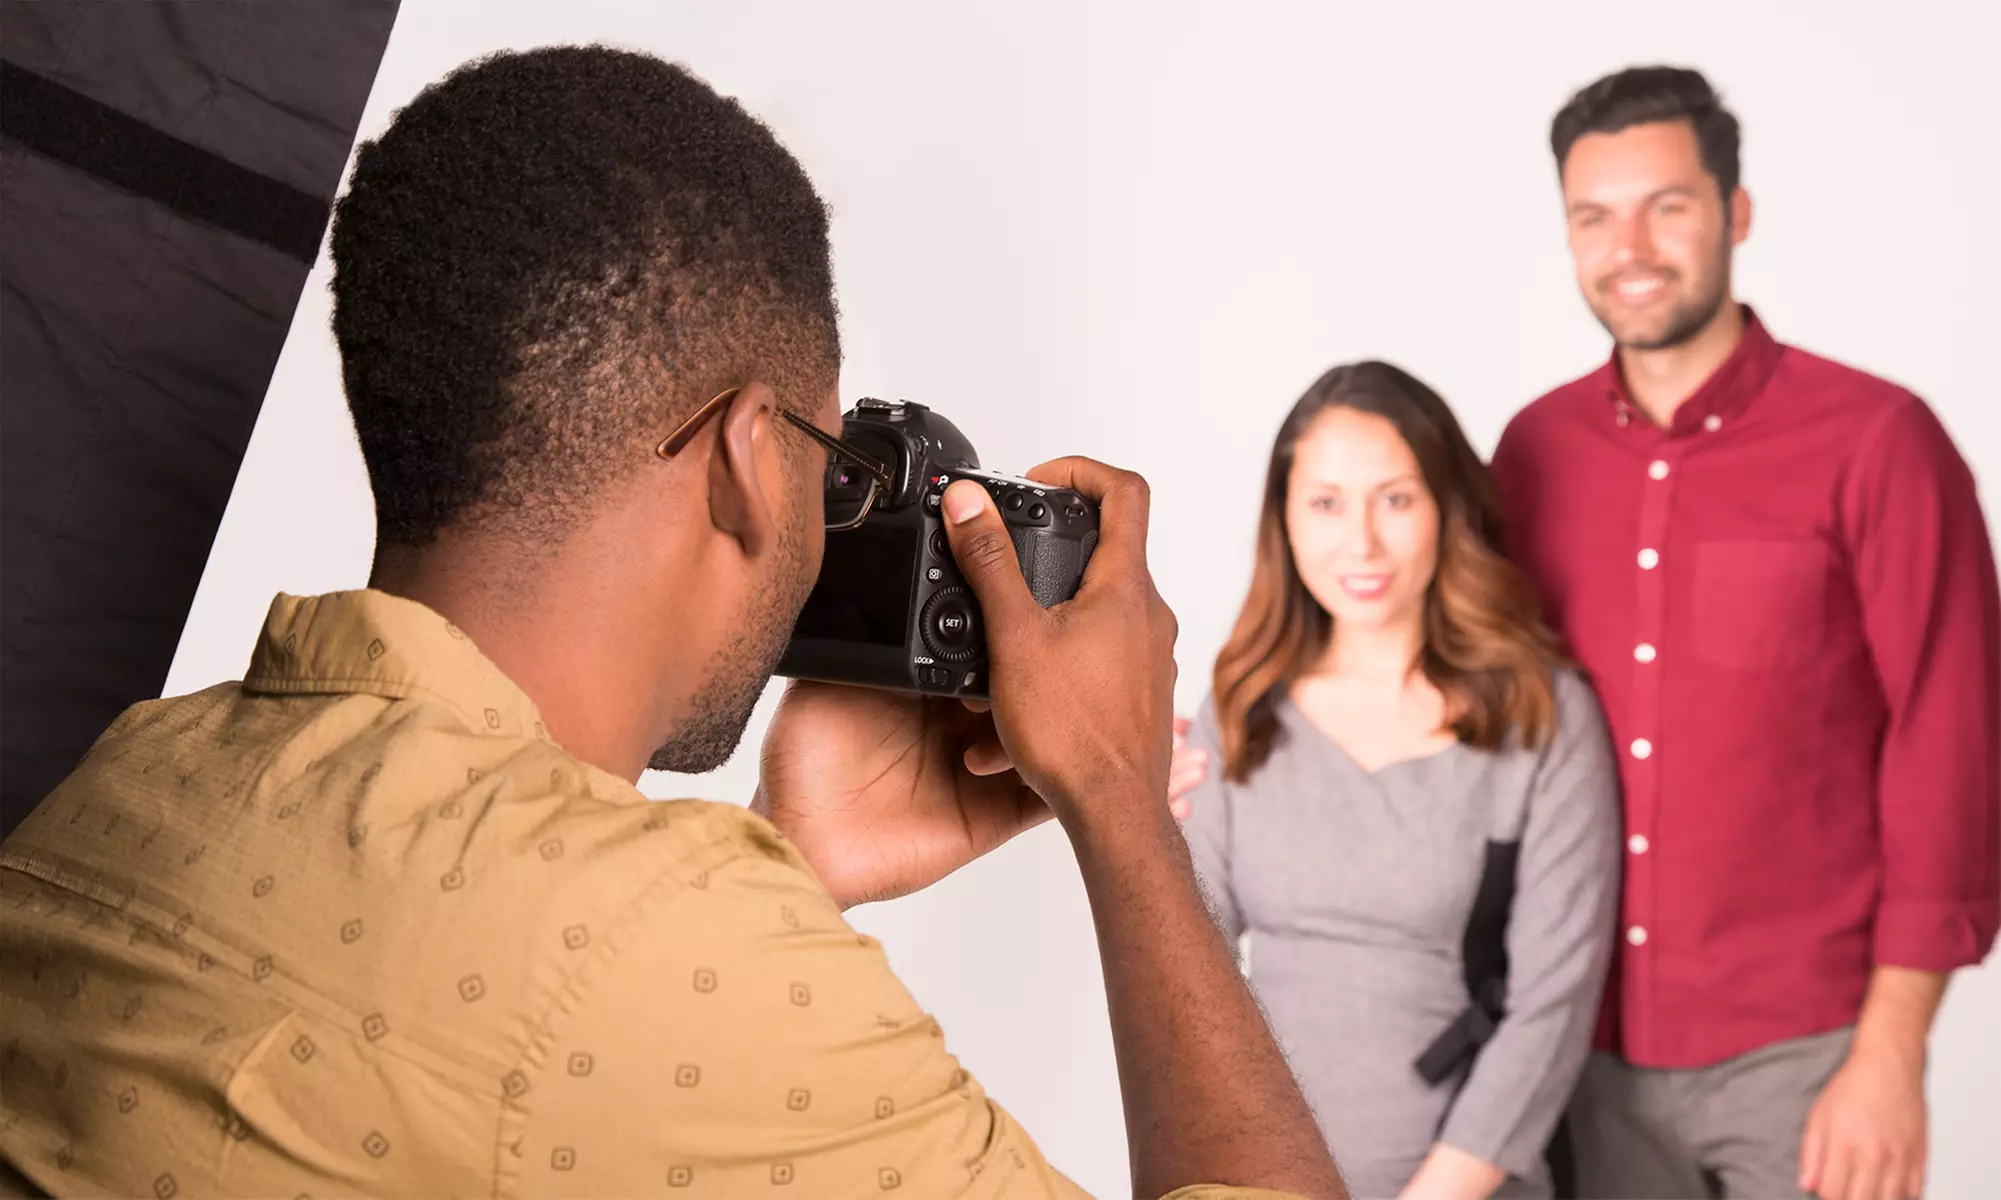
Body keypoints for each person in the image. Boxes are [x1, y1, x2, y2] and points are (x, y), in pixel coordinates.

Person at [0, 47, 1345, 1200]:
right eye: (829, 457)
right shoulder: (655, 947)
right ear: (748, 455)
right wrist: (1116, 795)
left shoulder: (127, 781)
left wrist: (786, 856)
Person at [1491, 67, 1999, 1200]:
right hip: (1577, 1052)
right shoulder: (1529, 455)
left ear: (1737, 212)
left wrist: (1892, 1054)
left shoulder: (1880, 443)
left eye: (1666, 205)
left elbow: (1949, 748)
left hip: (1810, 1059)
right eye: (1594, 215)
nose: (1630, 244)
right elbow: (1455, 696)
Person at [1166, 361, 1621, 1200]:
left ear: (1448, 510)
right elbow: (1187, 981)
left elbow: (1550, 1010)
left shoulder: (1541, 715)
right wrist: (1141, 835)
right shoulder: (1240, 711)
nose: (1362, 543)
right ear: (1286, 520)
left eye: (1396, 499)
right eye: (1327, 502)